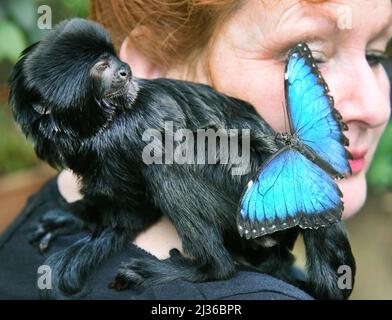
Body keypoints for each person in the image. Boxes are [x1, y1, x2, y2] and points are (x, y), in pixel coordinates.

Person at [0, 0, 390, 299]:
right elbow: (128, 204)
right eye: (309, 55)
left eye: (377, 55)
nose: (376, 108)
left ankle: (210, 261)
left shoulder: (28, 223)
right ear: (151, 61)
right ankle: (210, 262)